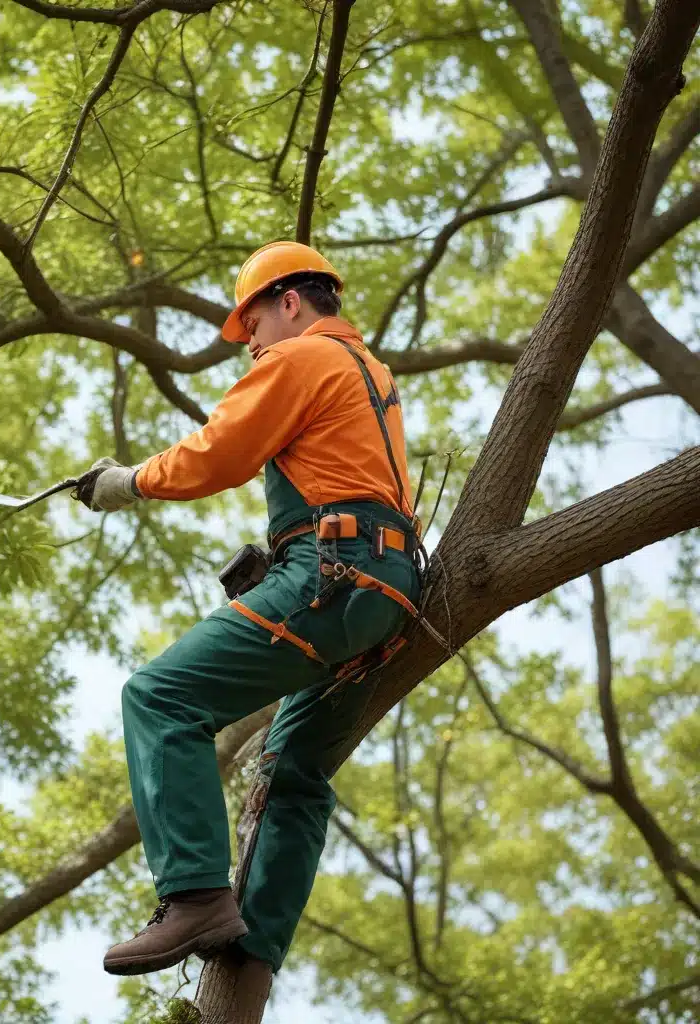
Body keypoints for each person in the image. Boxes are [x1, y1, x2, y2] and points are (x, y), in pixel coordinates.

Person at [76, 241, 422, 977]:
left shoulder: (297, 360)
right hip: (387, 589)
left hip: (333, 578)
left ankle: (196, 896)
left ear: (289, 304)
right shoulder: (373, 376)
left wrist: (125, 482)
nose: (252, 347)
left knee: (159, 695)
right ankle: (253, 948)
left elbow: (219, 453)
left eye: (254, 326)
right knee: (295, 769)